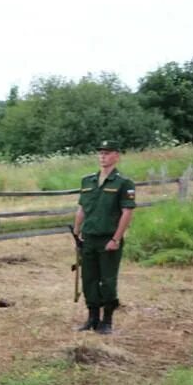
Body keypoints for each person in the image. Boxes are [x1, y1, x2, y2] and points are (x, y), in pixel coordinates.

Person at [72, 140, 136, 334]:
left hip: (108, 238)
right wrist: (76, 233)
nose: (103, 156)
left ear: (117, 156)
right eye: (100, 153)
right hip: (89, 237)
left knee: (107, 280)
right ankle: (92, 318)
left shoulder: (123, 183)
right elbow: (82, 208)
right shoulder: (88, 181)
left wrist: (116, 239)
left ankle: (107, 321)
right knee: (89, 279)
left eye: (107, 153)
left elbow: (127, 212)